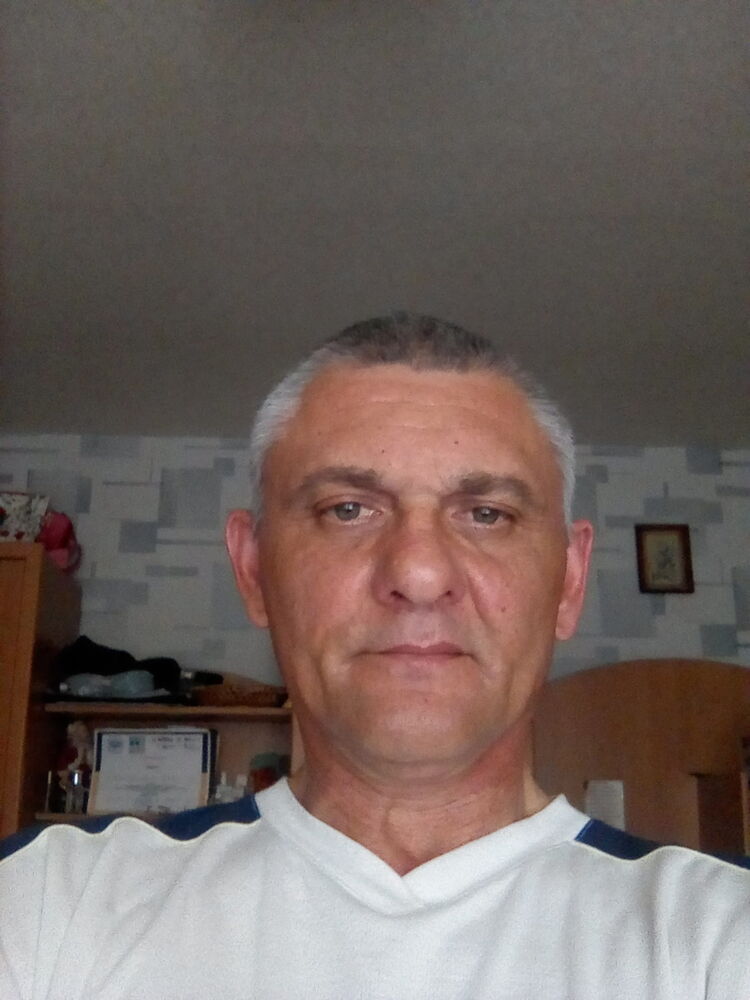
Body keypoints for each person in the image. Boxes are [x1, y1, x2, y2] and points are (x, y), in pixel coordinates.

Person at [1, 313, 747, 1000]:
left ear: (570, 581)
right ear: (254, 569)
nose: (418, 573)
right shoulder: (50, 905)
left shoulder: (717, 938)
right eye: (348, 509)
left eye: (487, 514)